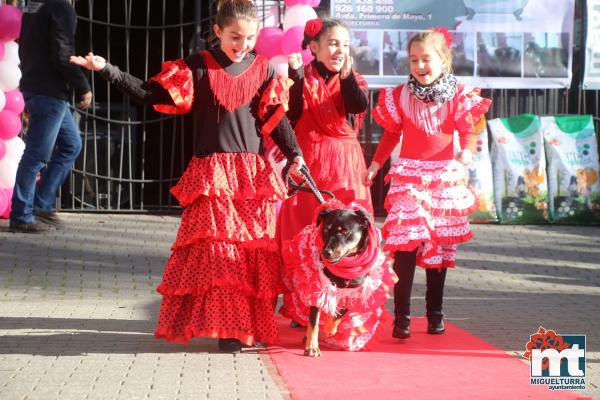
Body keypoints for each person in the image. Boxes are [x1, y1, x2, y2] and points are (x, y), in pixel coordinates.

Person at [71, 0, 305, 353]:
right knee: (219, 254)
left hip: (250, 177)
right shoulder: (198, 66)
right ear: (217, 32)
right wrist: (108, 70)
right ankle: (230, 330)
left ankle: (243, 327)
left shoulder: (262, 70)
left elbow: (277, 119)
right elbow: (152, 94)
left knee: (248, 255)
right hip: (212, 173)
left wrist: (295, 155)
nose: (242, 44)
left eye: (249, 37)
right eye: (234, 37)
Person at [363, 29, 491, 339]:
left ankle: (435, 313)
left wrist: (466, 151)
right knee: (405, 246)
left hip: (443, 177)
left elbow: (468, 131)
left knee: (438, 248)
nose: (420, 66)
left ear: (443, 60)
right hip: (409, 176)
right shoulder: (399, 96)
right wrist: (376, 164)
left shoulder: (460, 95)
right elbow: (392, 134)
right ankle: (402, 317)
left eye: (426, 59)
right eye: (414, 60)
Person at [276, 18, 372, 324]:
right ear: (314, 47)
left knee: (347, 233)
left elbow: (357, 106)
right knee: (303, 232)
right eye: (332, 43)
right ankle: (302, 307)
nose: (339, 50)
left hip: (345, 167)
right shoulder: (300, 77)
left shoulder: (352, 78)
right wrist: (294, 76)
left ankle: (344, 309)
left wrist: (345, 77)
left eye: (344, 44)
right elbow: (291, 113)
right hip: (309, 164)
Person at [9, 0, 92, 233]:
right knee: (36, 155)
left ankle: (42, 204)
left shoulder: (34, 7)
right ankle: (22, 216)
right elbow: (63, 51)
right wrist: (83, 86)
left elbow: (26, 46)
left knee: (71, 144)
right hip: (49, 92)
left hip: (38, 87)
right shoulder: (59, 8)